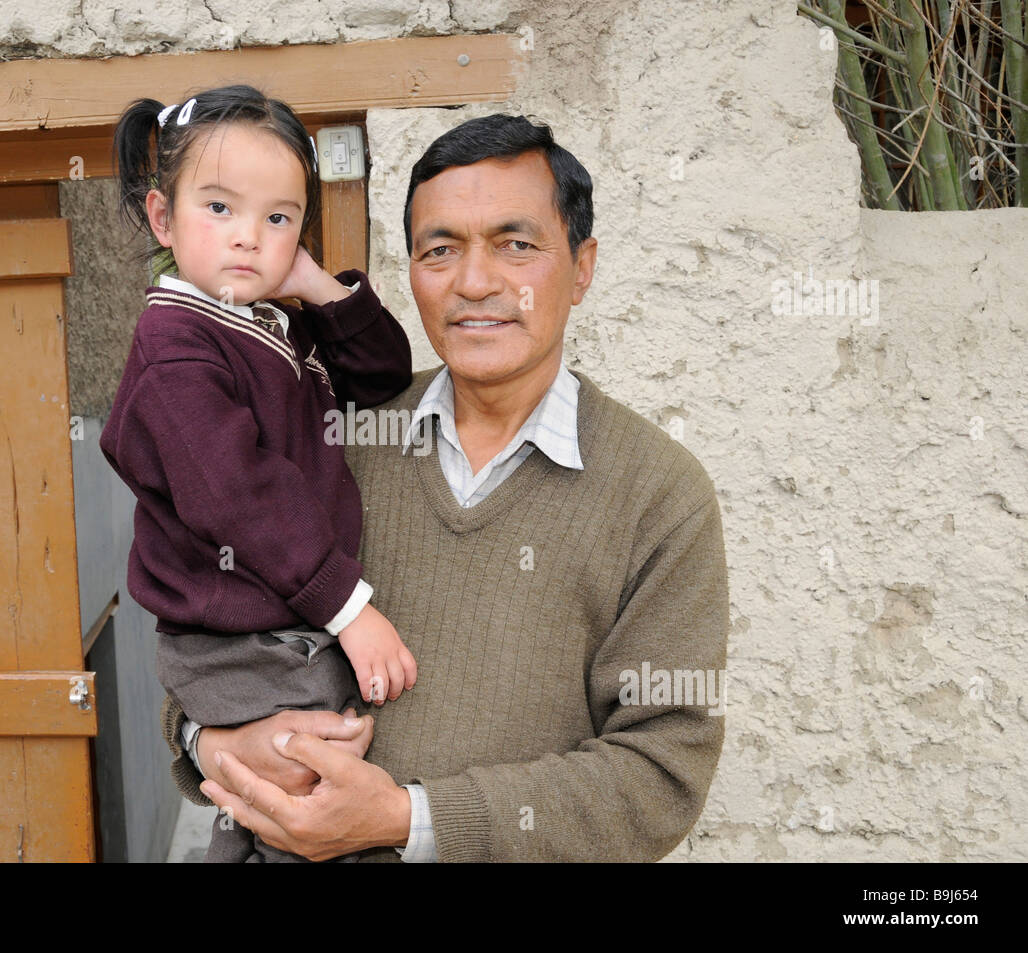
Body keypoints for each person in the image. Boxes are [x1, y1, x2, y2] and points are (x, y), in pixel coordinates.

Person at [162, 113, 730, 862]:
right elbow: (205, 628)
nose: (474, 281)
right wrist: (216, 742)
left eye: (516, 244)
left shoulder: (659, 495)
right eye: (440, 250)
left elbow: (659, 774)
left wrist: (407, 818)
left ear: (582, 266)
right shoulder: (338, 433)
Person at [99, 85, 417, 862]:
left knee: (267, 816)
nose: (249, 237)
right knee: (310, 801)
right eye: (219, 209)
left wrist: (312, 283)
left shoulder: (268, 318)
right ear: (162, 218)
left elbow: (384, 373)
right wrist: (350, 608)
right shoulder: (177, 345)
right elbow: (239, 498)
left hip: (275, 628)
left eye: (278, 217)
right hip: (243, 640)